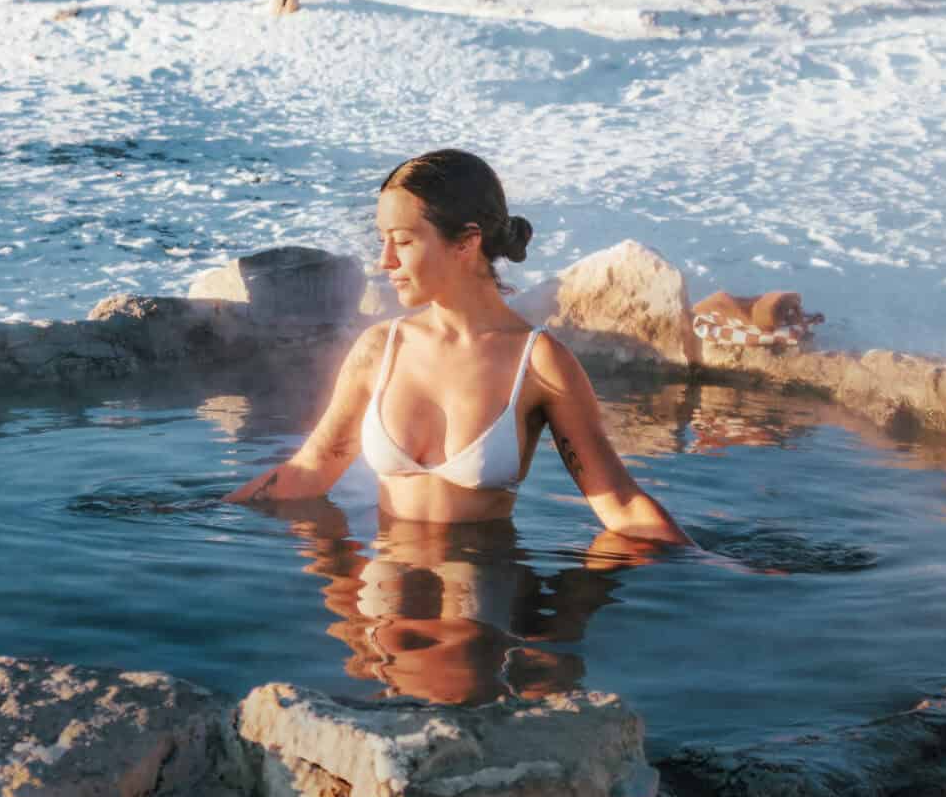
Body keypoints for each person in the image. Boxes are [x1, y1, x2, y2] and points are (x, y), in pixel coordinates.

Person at [226, 148, 689, 547]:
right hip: (377, 631)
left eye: (403, 241)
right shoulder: (380, 349)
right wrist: (187, 516)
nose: (384, 260)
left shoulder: (539, 363)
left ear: (467, 241)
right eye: (382, 240)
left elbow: (621, 503)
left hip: (475, 620)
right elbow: (309, 472)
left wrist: (718, 570)